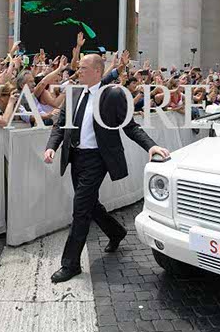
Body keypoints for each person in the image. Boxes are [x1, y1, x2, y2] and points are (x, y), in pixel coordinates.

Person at [43, 54, 170, 284]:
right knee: (90, 204)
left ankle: (70, 264)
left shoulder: (113, 95)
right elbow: (60, 125)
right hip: (75, 157)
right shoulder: (73, 93)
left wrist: (150, 146)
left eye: (83, 68)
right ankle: (116, 232)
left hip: (97, 160)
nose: (78, 71)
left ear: (97, 71)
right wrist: (52, 147)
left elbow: (130, 126)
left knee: (80, 209)